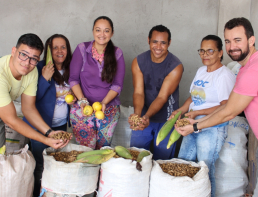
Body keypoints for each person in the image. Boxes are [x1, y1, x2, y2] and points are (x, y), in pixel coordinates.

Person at [175, 17, 258, 196]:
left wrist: (195, 125)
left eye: (238, 40)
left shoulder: (254, 69)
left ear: (251, 40)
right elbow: (227, 107)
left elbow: (228, 111)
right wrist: (192, 120)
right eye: (228, 41)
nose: (232, 46)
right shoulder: (245, 69)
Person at [170, 35, 236, 197]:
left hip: (212, 126)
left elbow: (225, 106)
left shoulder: (224, 75)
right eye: (202, 50)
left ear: (220, 53)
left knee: (204, 168)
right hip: (192, 122)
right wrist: (180, 110)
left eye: (210, 51)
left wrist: (198, 112)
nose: (205, 54)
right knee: (184, 162)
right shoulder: (201, 71)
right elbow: (193, 97)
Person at [23, 34, 74, 197]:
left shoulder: (71, 70)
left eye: (63, 47)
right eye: (55, 47)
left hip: (60, 125)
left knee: (56, 160)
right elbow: (30, 101)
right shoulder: (37, 68)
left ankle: (51, 193)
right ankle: (37, 193)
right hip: (39, 126)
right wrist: (44, 79)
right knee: (40, 164)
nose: (60, 50)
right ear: (49, 51)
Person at [0, 33, 69, 150]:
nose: (27, 62)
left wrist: (49, 133)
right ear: (13, 51)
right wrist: (45, 139)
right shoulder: (1, 74)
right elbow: (11, 120)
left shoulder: (32, 72)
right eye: (23, 54)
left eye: (33, 59)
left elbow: (28, 108)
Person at [69, 16, 125, 150]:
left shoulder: (117, 53)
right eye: (98, 30)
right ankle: (87, 172)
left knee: (102, 151)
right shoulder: (82, 49)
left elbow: (117, 84)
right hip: (82, 110)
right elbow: (73, 79)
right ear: (93, 31)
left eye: (106, 31)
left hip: (108, 109)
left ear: (112, 33)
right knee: (85, 150)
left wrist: (104, 103)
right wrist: (82, 101)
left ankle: (101, 172)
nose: (102, 34)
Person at [128, 25, 184, 160]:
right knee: (136, 157)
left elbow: (162, 97)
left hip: (167, 119)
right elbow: (139, 93)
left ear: (169, 43)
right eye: (155, 42)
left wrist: (146, 116)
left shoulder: (175, 66)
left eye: (163, 43)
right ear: (148, 40)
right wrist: (138, 116)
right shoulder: (138, 61)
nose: (158, 47)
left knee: (162, 161)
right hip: (143, 115)